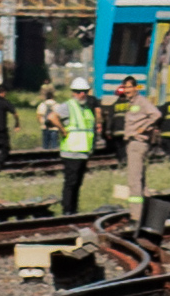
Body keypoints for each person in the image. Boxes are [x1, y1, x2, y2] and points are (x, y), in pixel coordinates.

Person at [53, 78, 97, 214]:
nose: (82, 94)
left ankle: (73, 210)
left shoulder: (86, 108)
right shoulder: (68, 106)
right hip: (71, 152)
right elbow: (52, 117)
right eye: (78, 92)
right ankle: (67, 211)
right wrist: (62, 130)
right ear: (73, 92)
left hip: (83, 152)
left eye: (84, 91)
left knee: (77, 183)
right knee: (71, 183)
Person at [122, 82, 163, 215]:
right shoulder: (132, 103)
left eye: (129, 87)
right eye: (125, 87)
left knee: (134, 180)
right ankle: (147, 211)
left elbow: (156, 114)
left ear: (135, 88)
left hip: (137, 142)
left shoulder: (141, 101)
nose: (126, 90)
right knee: (141, 179)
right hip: (134, 143)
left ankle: (136, 215)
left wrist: (144, 128)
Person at [103, 76, 138, 165]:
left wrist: (108, 130)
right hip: (129, 131)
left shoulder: (113, 106)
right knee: (128, 148)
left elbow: (110, 119)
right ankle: (127, 163)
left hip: (117, 132)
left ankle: (121, 162)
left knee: (119, 148)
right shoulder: (131, 104)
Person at [36, 85, 61, 151]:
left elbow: (39, 115)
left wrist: (42, 123)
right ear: (53, 97)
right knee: (54, 146)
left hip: (45, 127)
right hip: (54, 128)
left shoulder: (42, 105)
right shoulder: (57, 105)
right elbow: (59, 116)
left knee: (45, 146)